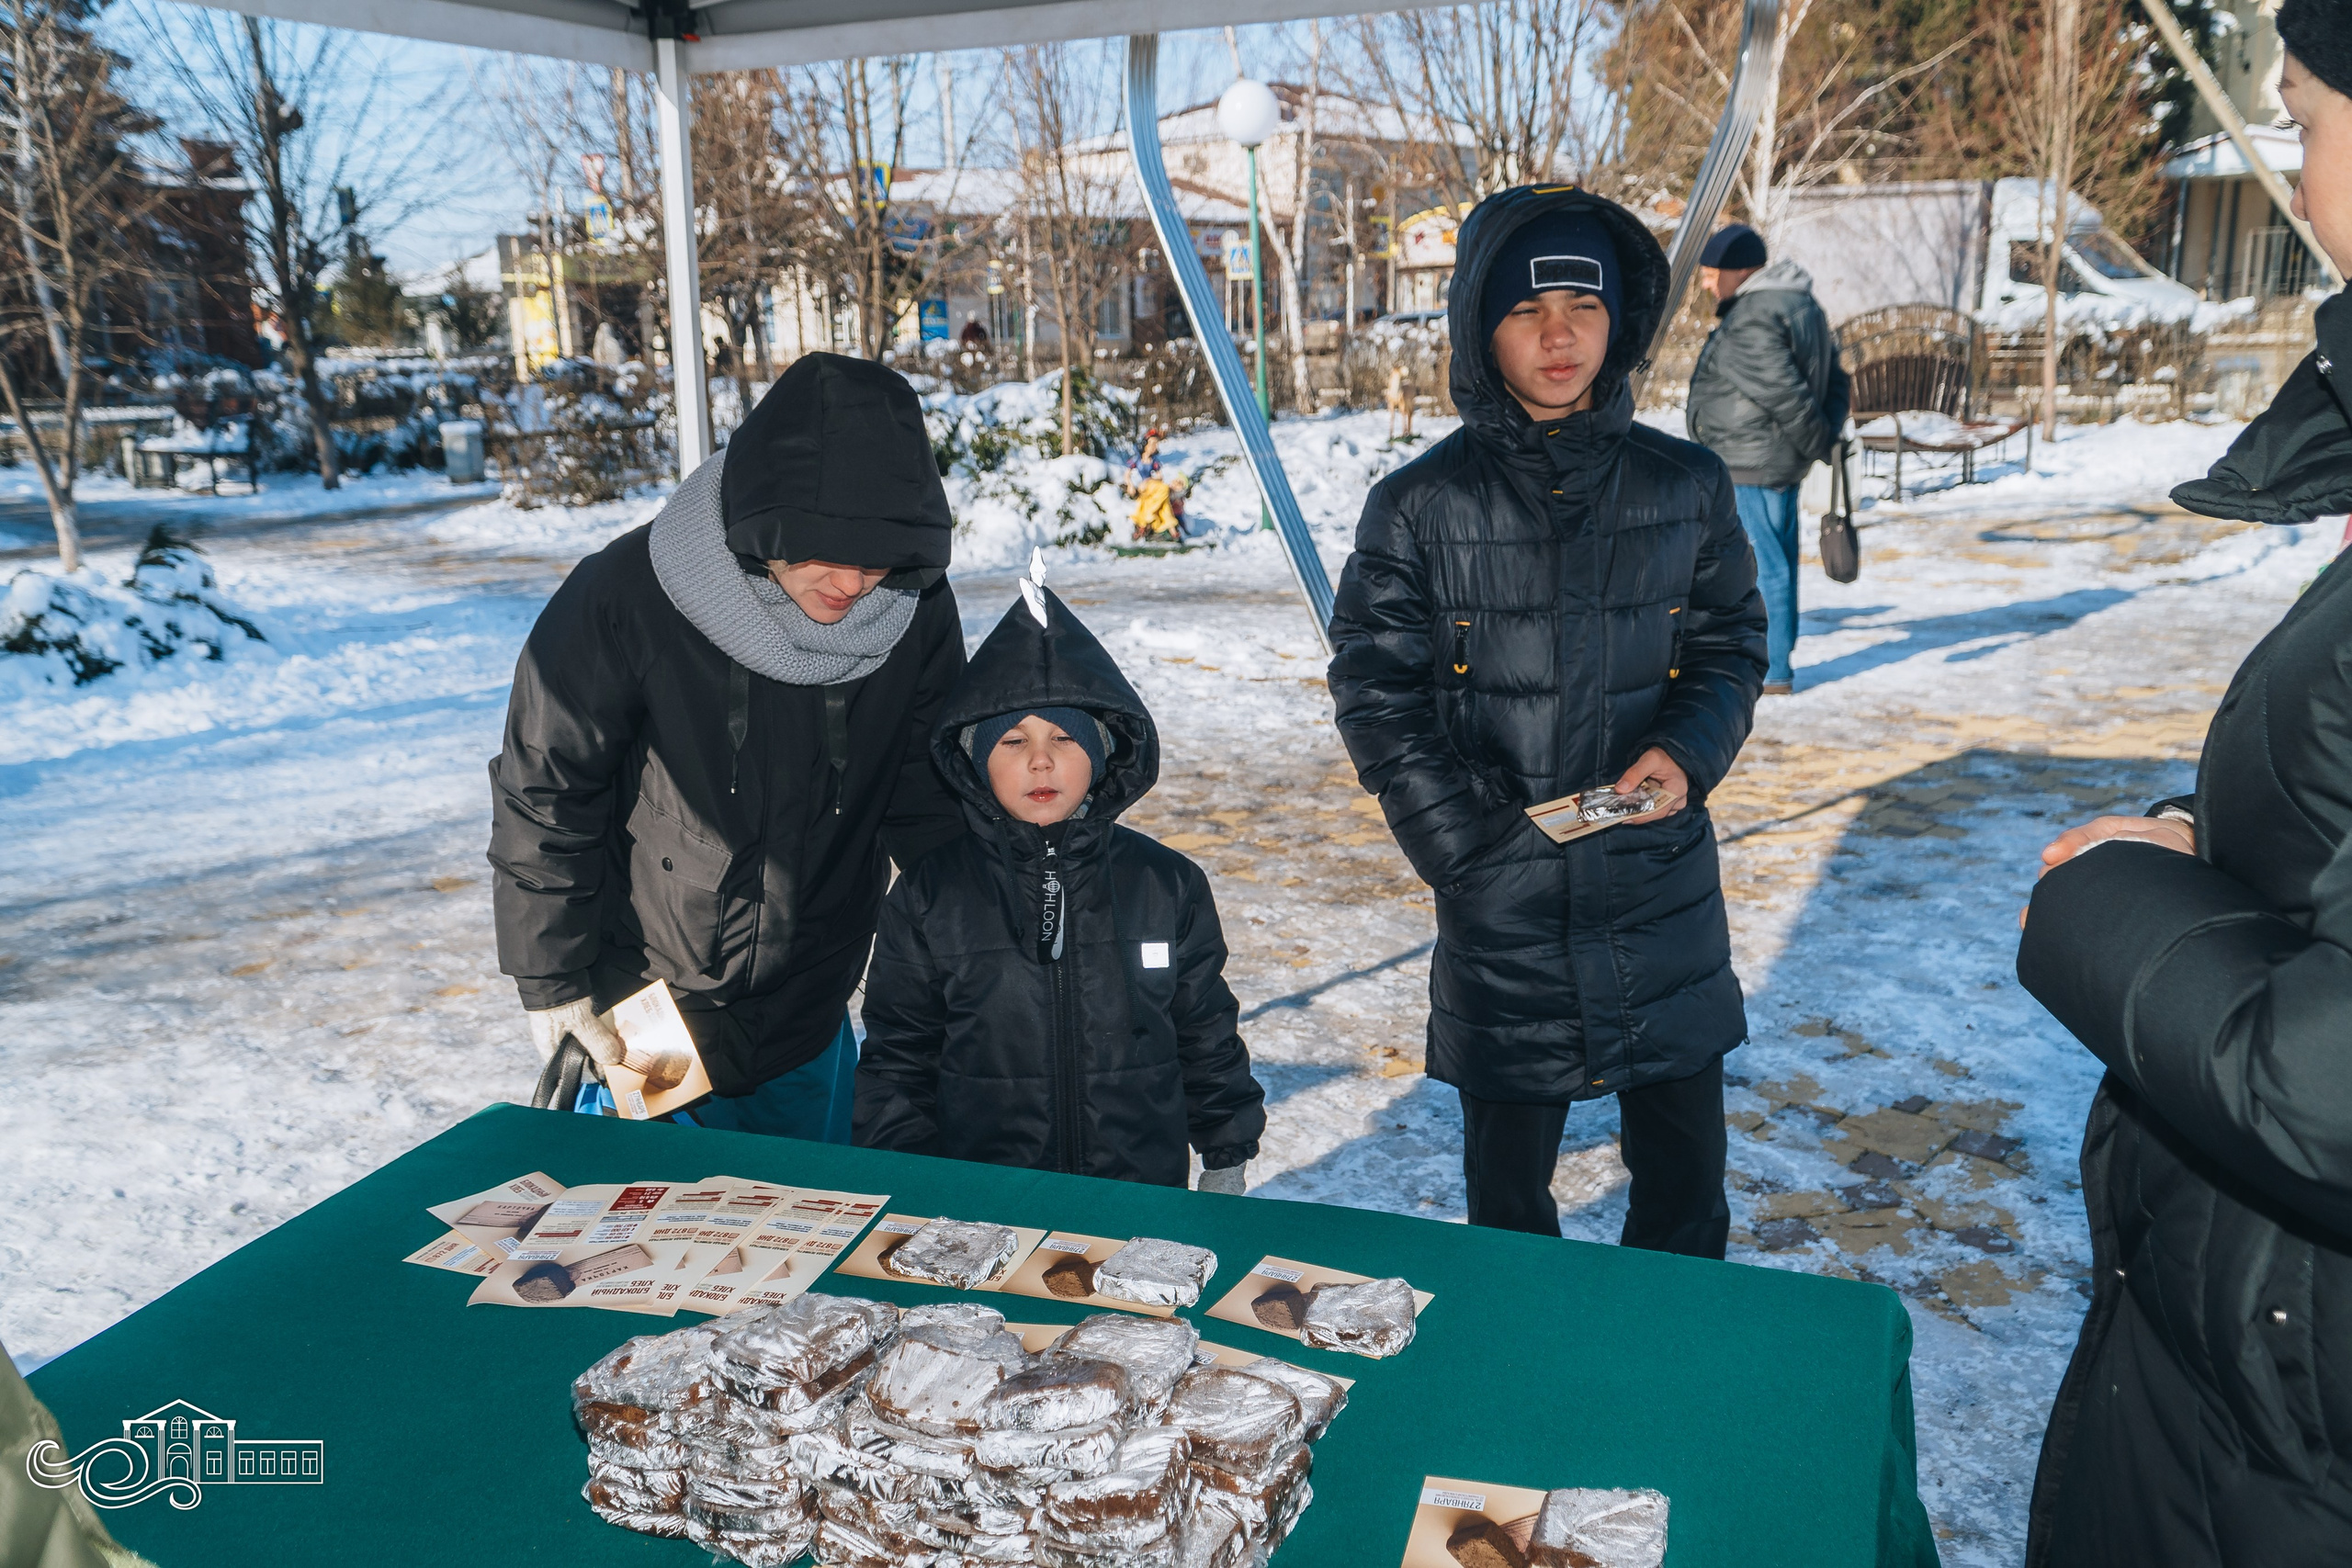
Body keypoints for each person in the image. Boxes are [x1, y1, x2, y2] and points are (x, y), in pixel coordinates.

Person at [2015, 17, 2352, 1563]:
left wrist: (2104, 893)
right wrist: (2204, 837)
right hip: (2246, 1369)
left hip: (2288, 1426)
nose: (2298, 167)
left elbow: (2322, 1084)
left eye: (2305, 120)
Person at [1327, 186, 1767, 1256]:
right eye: (1527, 311)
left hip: (1658, 893)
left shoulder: (1686, 483)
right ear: (1483, 329)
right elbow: (1377, 694)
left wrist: (1684, 752)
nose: (1558, 333)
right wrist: (1473, 852)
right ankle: (1528, 1388)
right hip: (1506, 906)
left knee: (1683, 1191)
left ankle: (1666, 1400)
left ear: (1619, 319)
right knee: (1509, 1212)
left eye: (1582, 302)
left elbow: (1728, 645)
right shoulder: (1419, 506)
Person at [488, 353, 967, 1140]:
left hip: (811, 1001)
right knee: (653, 1239)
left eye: (876, 557)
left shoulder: (913, 610)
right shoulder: (626, 596)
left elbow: (929, 796)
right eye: (827, 551)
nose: (854, 583)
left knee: (807, 1228)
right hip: (646, 1006)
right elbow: (547, 792)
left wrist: (983, 938)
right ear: (764, 524)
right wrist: (552, 980)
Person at [856, 570, 1267, 1191]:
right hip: (984, 1193)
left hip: (1138, 1188)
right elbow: (899, 1053)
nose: (1040, 760)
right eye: (1013, 740)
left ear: (1103, 753)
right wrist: (908, 1171)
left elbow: (1204, 1026)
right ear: (974, 763)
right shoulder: (931, 895)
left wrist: (1227, 1145)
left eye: (1065, 737)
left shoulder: (1165, 884)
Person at [1684, 221, 1850, 696]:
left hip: (1750, 459)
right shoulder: (1800, 304)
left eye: (1711, 271)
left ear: (1739, 272)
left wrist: (1816, 440)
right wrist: (1822, 437)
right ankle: (1778, 659)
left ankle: (1772, 669)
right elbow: (1837, 382)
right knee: (1778, 561)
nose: (1705, 281)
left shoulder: (1754, 317)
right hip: (1770, 457)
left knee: (1761, 568)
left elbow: (1787, 396)